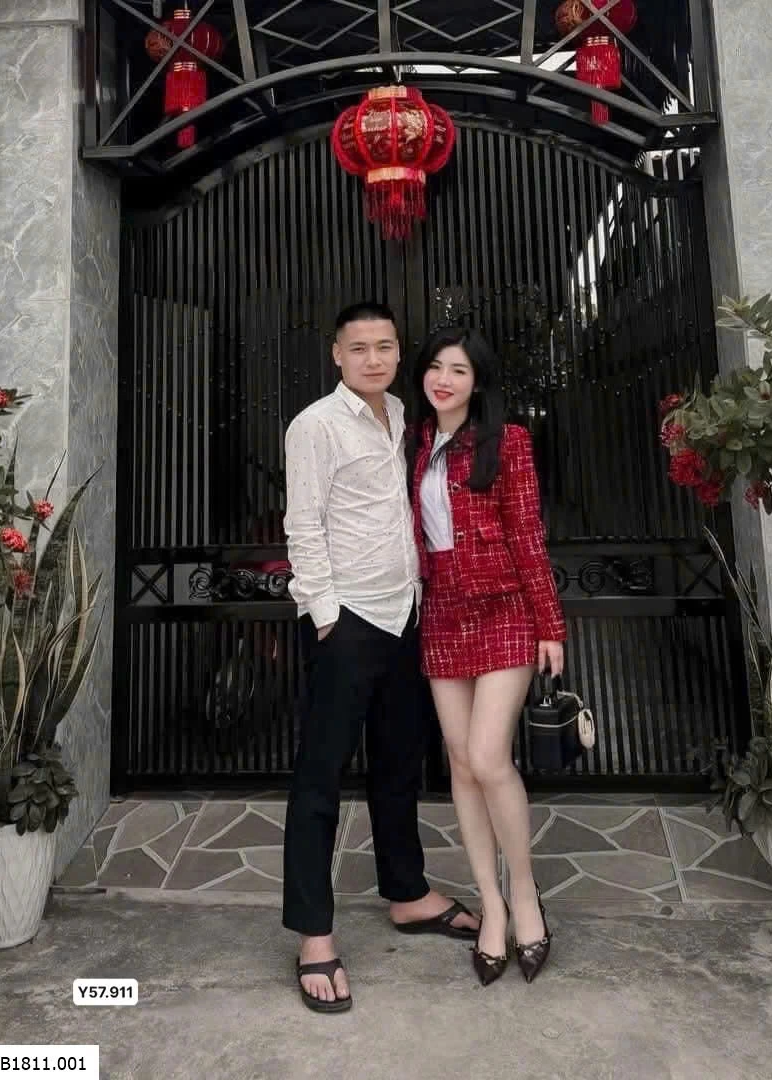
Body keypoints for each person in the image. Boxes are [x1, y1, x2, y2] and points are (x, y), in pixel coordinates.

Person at [282, 302, 480, 1014]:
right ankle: (313, 934)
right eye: (359, 347)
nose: (373, 358)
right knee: (321, 778)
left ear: (400, 353)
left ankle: (406, 892)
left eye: (386, 346)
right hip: (348, 621)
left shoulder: (402, 414)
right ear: (336, 354)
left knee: (399, 764)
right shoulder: (314, 425)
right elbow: (303, 524)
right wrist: (326, 615)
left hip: (405, 613)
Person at [408, 327, 567, 986]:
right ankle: (491, 906)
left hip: (504, 609)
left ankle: (525, 895)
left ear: (477, 383)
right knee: (460, 763)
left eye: (459, 370)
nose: (444, 379)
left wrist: (549, 625)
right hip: (442, 611)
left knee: (488, 757)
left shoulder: (508, 442)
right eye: (435, 367)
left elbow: (527, 534)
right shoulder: (412, 443)